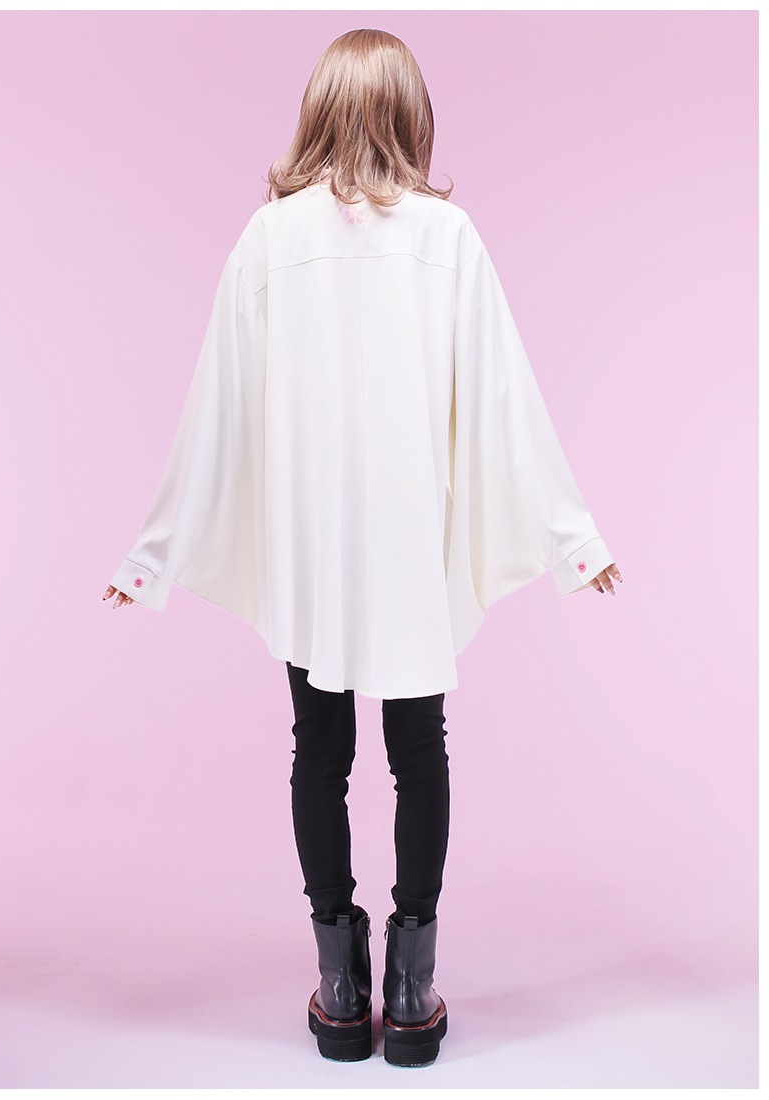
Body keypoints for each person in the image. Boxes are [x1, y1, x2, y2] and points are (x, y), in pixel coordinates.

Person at [102, 28, 622, 1068]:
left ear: (320, 110)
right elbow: (503, 397)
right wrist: (573, 538)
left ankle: (340, 986)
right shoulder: (447, 235)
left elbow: (217, 405)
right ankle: (411, 983)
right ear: (409, 115)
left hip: (312, 542)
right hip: (408, 540)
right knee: (419, 749)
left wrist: (153, 554)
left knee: (319, 749)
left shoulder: (267, 239)